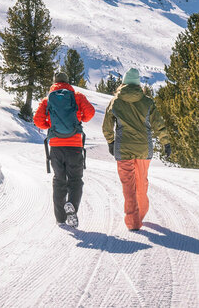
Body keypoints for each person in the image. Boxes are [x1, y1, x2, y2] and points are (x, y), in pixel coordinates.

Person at [102, 68, 170, 231]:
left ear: (123, 83)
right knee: (141, 183)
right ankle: (140, 214)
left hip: (123, 149)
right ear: (138, 84)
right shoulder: (147, 102)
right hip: (143, 149)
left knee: (128, 185)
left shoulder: (116, 101)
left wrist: (111, 142)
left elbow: (107, 125)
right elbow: (158, 124)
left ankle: (133, 221)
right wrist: (165, 142)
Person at [34, 71, 95, 227]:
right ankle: (72, 205)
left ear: (54, 83)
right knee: (75, 180)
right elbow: (90, 113)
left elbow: (38, 121)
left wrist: (51, 126)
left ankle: (60, 218)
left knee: (59, 180)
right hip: (74, 145)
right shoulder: (77, 96)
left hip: (56, 146)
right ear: (68, 82)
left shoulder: (47, 100)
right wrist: (78, 120)